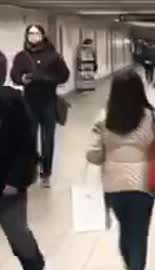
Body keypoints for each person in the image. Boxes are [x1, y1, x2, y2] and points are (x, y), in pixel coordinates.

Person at [86, 70, 155, 270]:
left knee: (126, 230)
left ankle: (130, 265)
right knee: (138, 234)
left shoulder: (104, 118)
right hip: (143, 185)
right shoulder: (153, 118)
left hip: (113, 186)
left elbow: (93, 155)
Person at [0, 50, 45, 270]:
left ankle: (34, 265)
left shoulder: (12, 102)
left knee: (17, 232)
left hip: (8, 185)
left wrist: (15, 181)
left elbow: (26, 146)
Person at [11, 24, 70, 188]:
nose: (33, 36)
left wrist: (44, 78)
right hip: (29, 102)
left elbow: (64, 75)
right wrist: (22, 79)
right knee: (29, 138)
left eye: (36, 33)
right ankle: (28, 171)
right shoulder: (21, 56)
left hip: (48, 102)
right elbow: (14, 74)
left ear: (43, 35)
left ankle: (46, 172)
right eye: (30, 33)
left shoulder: (53, 56)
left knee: (48, 138)